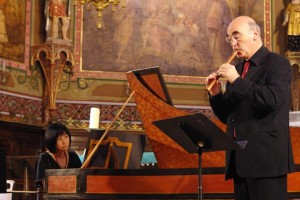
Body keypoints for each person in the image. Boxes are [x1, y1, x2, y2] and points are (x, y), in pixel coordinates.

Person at [205, 16, 295, 200]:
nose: (233, 43)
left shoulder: (277, 63)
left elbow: (271, 99)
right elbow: (229, 116)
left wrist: (236, 80)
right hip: (239, 161)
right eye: (230, 38)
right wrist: (216, 95)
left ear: (254, 34)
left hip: (266, 161)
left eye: (236, 36)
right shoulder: (238, 69)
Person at [34, 123, 82, 189]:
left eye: (66, 137)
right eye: (59, 139)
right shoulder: (44, 157)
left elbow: (81, 179)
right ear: (51, 141)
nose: (64, 142)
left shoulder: (73, 155)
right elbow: (47, 186)